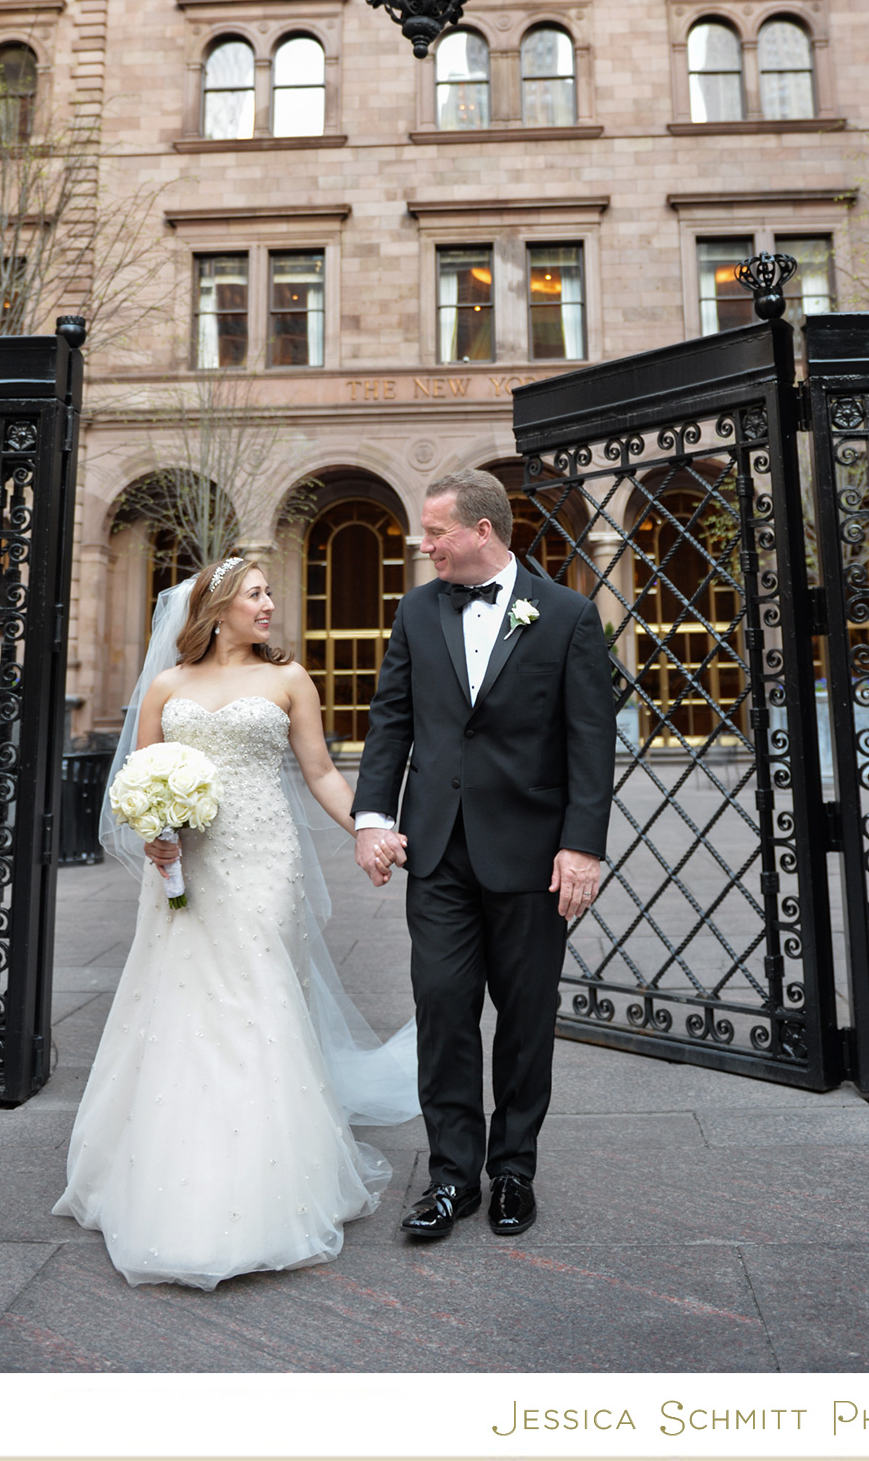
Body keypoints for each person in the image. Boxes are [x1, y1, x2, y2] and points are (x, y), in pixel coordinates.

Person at [51, 558, 418, 1290]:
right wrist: (155, 831)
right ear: (216, 608)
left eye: (269, 593)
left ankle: (267, 1180)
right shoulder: (166, 686)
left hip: (261, 860)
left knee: (256, 1001)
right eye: (256, 594)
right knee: (183, 1004)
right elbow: (139, 778)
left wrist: (367, 830)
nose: (269, 605)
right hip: (185, 868)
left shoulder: (288, 680)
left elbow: (319, 772)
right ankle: (180, 1171)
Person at [352, 469, 615, 1242]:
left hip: (535, 856)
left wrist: (582, 846)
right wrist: (373, 817)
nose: (423, 544)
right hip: (436, 851)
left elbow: (590, 742)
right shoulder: (416, 610)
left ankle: (513, 1172)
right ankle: (450, 1177)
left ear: (483, 532)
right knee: (442, 1008)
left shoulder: (566, 615)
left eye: (434, 533)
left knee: (527, 1017)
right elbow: (391, 720)